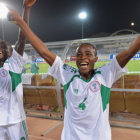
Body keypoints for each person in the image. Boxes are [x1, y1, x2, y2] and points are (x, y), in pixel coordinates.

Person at [8, 7, 140, 140]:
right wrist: (20, 21)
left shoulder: (105, 73)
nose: (83, 57)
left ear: (96, 59)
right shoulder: (67, 74)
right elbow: (44, 52)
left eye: (88, 54)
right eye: (79, 55)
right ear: (75, 59)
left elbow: (130, 52)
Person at [0, 0, 36, 140]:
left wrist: (25, 10)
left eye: (2, 48)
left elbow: (22, 38)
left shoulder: (13, 64)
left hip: (15, 121)